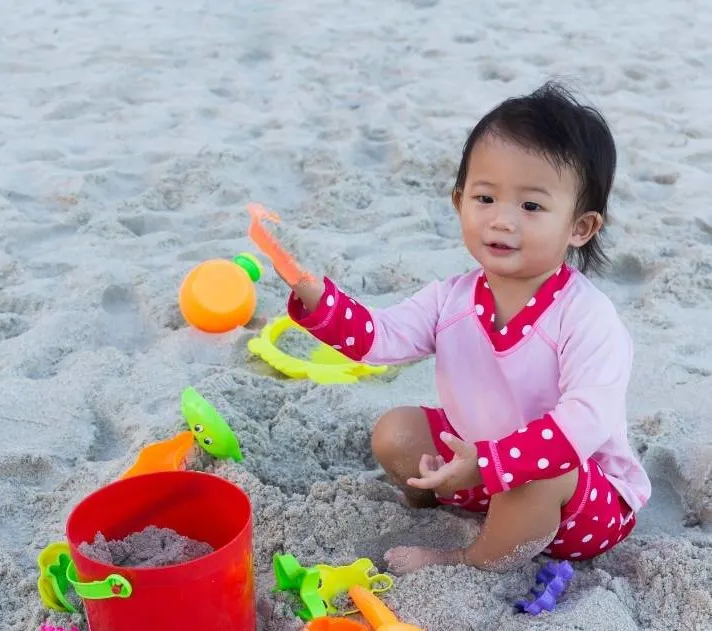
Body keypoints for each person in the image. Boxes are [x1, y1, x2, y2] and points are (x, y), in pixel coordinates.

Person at [248, 81, 651, 575]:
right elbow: (377, 337)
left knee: (542, 473)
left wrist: (490, 463)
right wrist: (313, 294)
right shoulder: (451, 299)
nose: (502, 221)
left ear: (580, 228)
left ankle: (469, 557)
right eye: (485, 197)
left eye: (531, 207)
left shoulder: (587, 317)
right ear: (459, 200)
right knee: (395, 432)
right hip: (479, 466)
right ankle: (441, 503)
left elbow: (582, 424)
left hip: (582, 500)